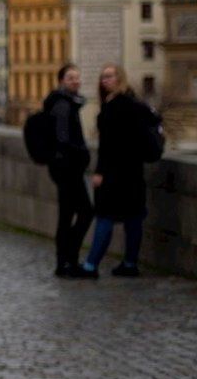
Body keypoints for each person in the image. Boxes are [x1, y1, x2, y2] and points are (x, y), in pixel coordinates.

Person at [78, 64, 153, 278]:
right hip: (133, 171)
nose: (105, 80)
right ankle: (130, 264)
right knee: (133, 217)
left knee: (105, 217)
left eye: (110, 76)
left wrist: (100, 172)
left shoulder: (114, 106)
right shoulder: (134, 103)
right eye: (103, 77)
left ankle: (91, 265)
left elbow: (109, 146)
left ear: (120, 78)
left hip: (114, 173)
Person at [45, 63, 94, 278]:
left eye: (77, 77)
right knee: (83, 212)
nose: (76, 81)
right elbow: (63, 139)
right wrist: (82, 152)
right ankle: (67, 260)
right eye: (70, 78)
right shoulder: (63, 105)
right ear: (61, 81)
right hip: (67, 168)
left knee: (68, 214)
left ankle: (65, 261)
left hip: (63, 168)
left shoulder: (64, 102)